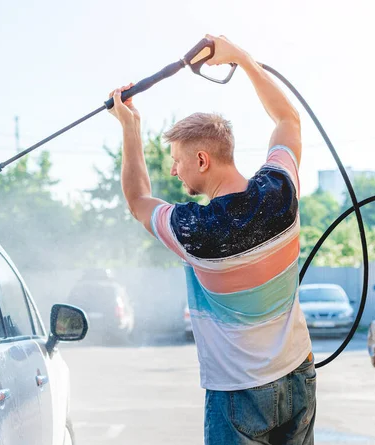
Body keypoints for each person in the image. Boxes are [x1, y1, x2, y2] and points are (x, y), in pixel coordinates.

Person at [108, 34, 315, 445]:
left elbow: (137, 200)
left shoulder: (193, 230)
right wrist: (241, 57)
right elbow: (287, 120)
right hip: (298, 377)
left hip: (238, 396)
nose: (173, 171)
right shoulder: (280, 189)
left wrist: (130, 128)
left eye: (178, 161)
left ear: (202, 160)